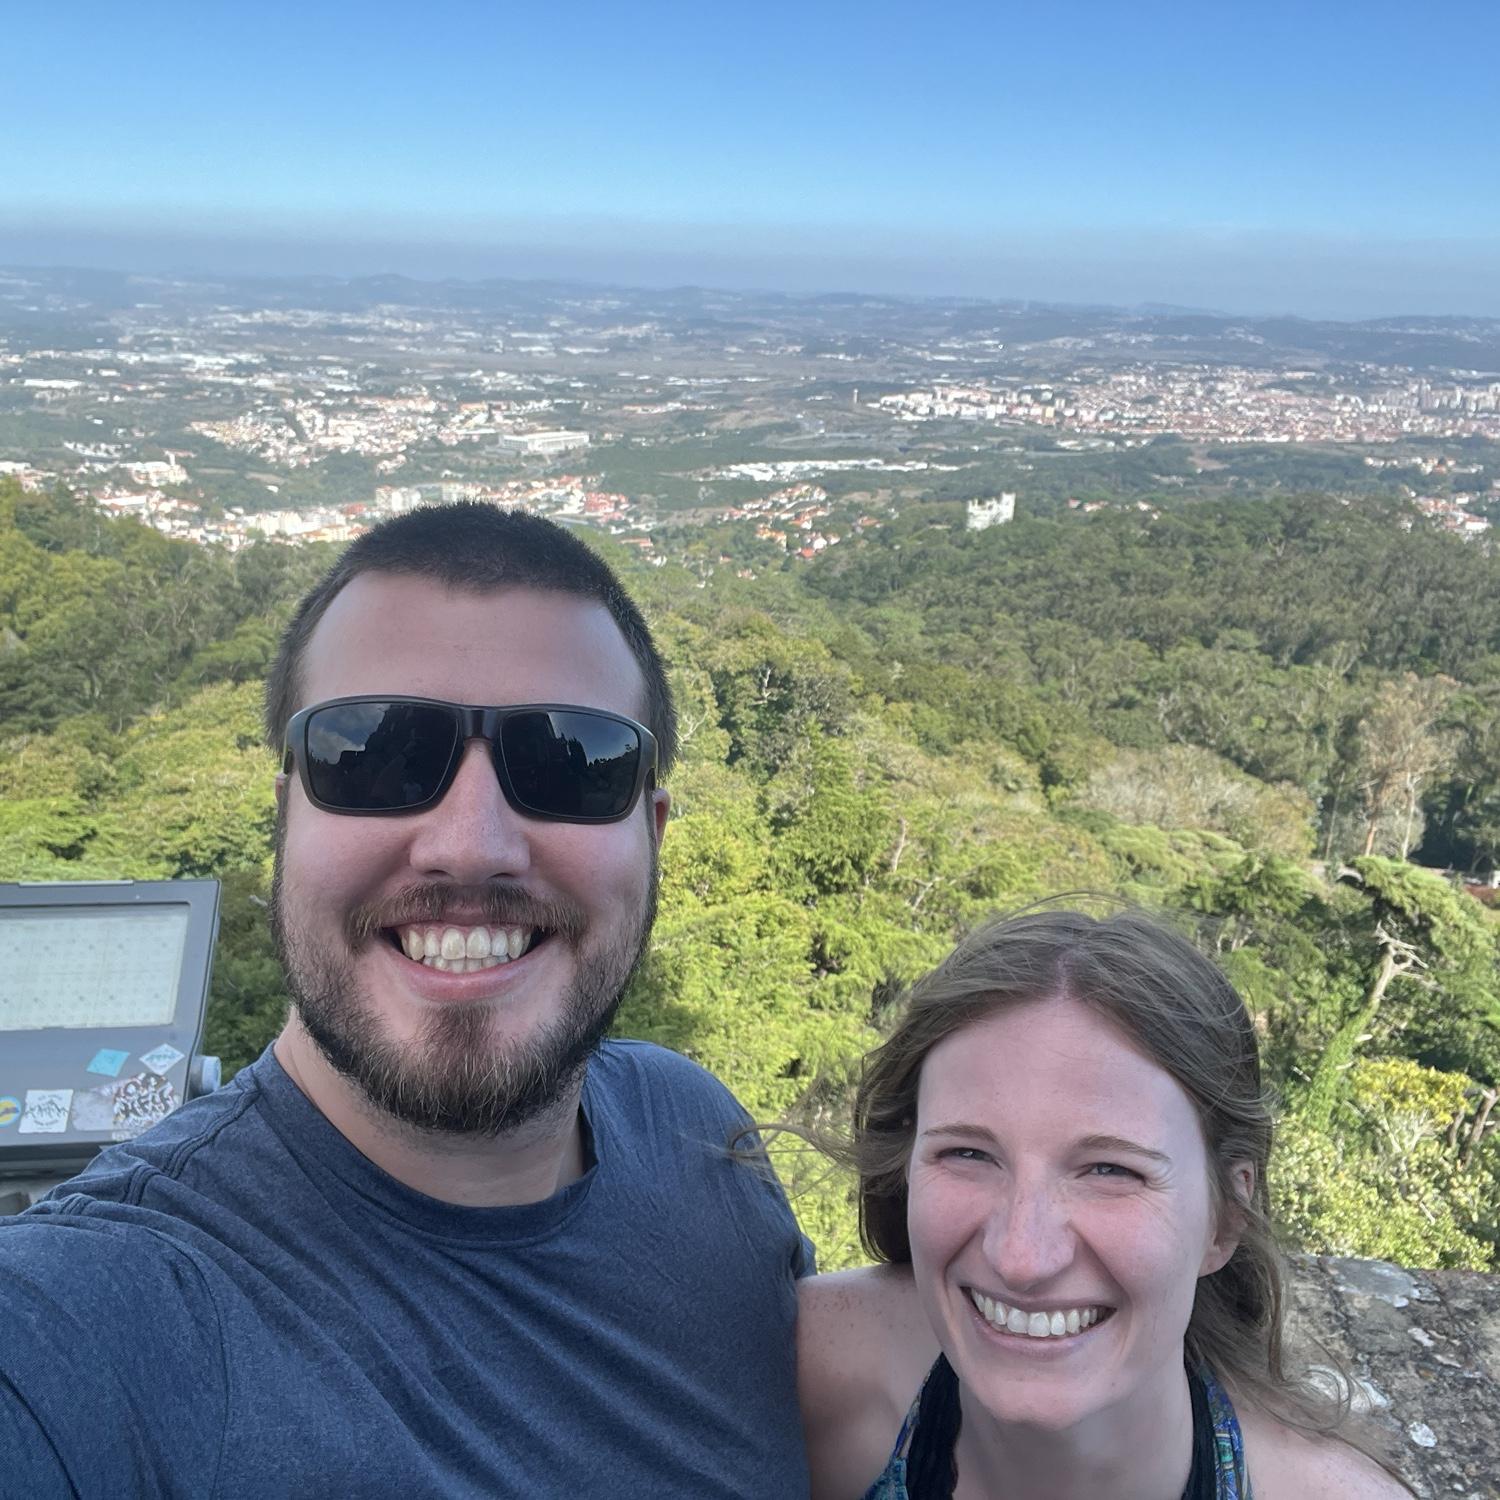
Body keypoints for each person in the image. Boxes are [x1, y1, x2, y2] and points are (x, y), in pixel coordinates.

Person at [0, 503, 812, 1498]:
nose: (471, 843)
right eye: (375, 754)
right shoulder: (87, 1323)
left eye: (569, 762)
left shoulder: (701, 1137)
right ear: (284, 814)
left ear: (653, 834)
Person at [796, 907, 1411, 1500]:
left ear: (1225, 1219)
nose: (1021, 1258)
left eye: (1112, 1170)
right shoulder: (795, 1370)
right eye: (968, 1155)